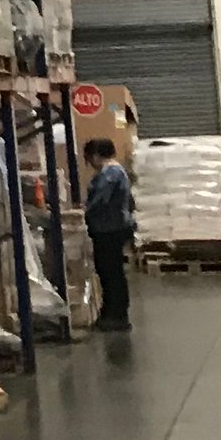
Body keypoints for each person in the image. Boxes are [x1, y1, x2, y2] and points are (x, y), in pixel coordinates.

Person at [82, 138, 136, 331]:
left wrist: (82, 215)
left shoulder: (110, 174)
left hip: (109, 229)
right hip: (114, 227)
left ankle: (117, 315)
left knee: (110, 272)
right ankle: (113, 312)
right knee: (111, 271)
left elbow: (99, 202)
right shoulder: (115, 171)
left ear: (96, 155)